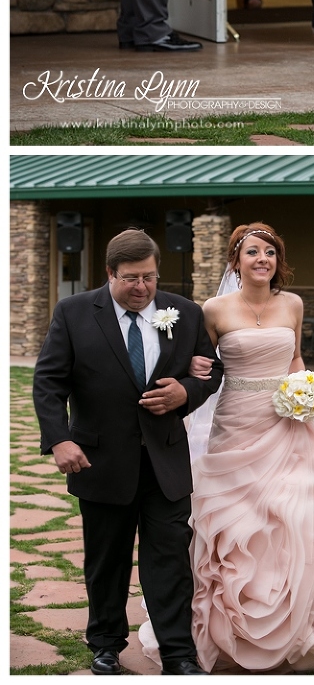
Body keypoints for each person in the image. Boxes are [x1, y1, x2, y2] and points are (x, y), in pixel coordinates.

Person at [141, 223, 314, 671]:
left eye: (270, 253)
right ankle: (227, 625)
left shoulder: (292, 304)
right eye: (252, 252)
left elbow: (294, 358)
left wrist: (306, 389)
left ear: (278, 261)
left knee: (292, 515)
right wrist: (196, 365)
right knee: (236, 520)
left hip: (289, 423)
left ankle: (297, 623)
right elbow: (199, 361)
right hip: (235, 425)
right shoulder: (214, 309)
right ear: (236, 261)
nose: (262, 259)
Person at [32, 229, 222, 676]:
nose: (142, 288)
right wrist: (59, 439)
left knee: (170, 560)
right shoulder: (74, 312)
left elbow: (210, 371)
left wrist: (186, 393)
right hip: (100, 460)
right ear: (110, 273)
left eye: (150, 278)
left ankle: (177, 653)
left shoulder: (186, 313)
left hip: (165, 460)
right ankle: (105, 643)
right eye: (132, 279)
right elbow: (48, 382)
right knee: (107, 560)